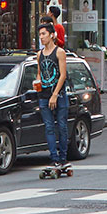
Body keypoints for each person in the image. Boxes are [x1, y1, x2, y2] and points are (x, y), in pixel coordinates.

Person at [34, 21, 72, 178]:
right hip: (44, 95)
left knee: (61, 125)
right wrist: (37, 83)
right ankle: (54, 158)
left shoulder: (59, 52)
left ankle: (63, 158)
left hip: (59, 95)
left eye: (44, 34)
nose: (41, 37)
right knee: (49, 127)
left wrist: (55, 94)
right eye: (40, 35)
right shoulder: (39, 54)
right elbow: (39, 73)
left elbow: (62, 75)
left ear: (51, 35)